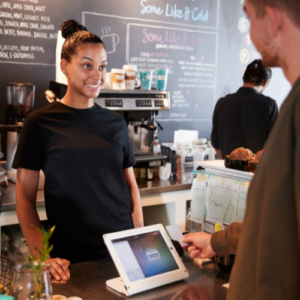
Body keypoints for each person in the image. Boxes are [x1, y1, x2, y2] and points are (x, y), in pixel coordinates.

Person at [183, 0, 300, 298]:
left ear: (272, 20)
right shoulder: (285, 104)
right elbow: (272, 218)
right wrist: (216, 242)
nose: (248, 34)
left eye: (248, 17)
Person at [13, 20, 143, 281]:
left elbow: (130, 188)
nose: (97, 74)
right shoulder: (40, 123)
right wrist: (44, 258)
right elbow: (24, 199)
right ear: (65, 67)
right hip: (70, 260)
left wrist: (139, 241)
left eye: (102, 66)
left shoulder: (116, 123)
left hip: (121, 252)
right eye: (87, 65)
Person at [211, 59, 278, 159]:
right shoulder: (269, 105)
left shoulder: (222, 102)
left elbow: (216, 144)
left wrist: (229, 164)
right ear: (265, 82)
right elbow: (275, 146)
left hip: (227, 172)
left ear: (244, 77)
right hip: (256, 173)